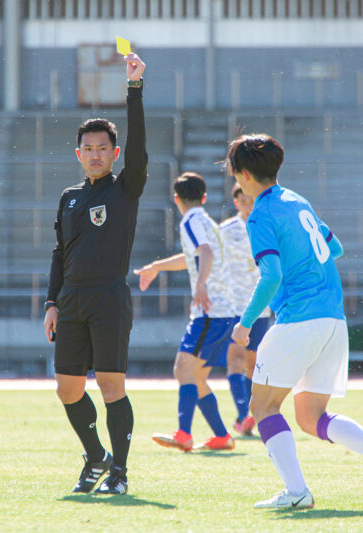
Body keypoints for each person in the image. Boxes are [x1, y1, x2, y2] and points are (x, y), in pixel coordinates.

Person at [226, 134, 363, 509]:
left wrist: (245, 324)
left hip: (298, 320)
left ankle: (297, 493)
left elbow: (271, 275)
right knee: (311, 417)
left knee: (263, 408)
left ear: (242, 174)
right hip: (333, 319)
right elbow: (335, 248)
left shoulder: (259, 214)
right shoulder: (297, 200)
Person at [43, 53, 147, 496]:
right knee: (67, 390)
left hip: (108, 297)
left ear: (115, 153)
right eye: (88, 148)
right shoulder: (68, 197)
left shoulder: (125, 188)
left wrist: (134, 90)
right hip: (71, 300)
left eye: (103, 148)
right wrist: (51, 301)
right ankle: (96, 456)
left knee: (109, 385)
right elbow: (59, 252)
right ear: (78, 153)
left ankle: (119, 473)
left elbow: (140, 148)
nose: (95, 154)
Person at [134, 172, 236, 452]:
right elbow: (194, 256)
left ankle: (183, 433)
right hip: (224, 310)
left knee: (182, 368)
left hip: (209, 311)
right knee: (196, 377)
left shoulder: (190, 221)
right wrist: (156, 266)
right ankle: (222, 436)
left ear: (176, 199)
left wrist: (200, 286)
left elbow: (205, 252)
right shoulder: (207, 221)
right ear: (204, 198)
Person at [219, 183, 275, 436]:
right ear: (236, 203)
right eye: (244, 201)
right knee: (235, 361)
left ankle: (249, 415)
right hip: (232, 306)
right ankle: (243, 415)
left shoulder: (266, 228)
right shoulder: (225, 231)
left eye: (252, 201)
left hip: (259, 307)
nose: (248, 206)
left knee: (252, 365)